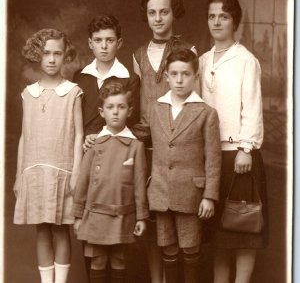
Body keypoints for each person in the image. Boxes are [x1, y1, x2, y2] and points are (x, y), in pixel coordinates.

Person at [134, 48, 221, 283]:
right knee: (167, 248)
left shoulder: (206, 113)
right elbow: (140, 137)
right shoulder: (155, 108)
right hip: (161, 193)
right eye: (174, 74)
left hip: (191, 194)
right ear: (168, 76)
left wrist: (209, 196)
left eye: (185, 74)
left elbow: (213, 158)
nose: (179, 80)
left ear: (195, 76)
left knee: (191, 249)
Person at [199, 0, 268, 283]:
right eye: (212, 16)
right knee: (219, 233)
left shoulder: (245, 61)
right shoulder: (201, 61)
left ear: (234, 21)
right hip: (210, 155)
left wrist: (246, 148)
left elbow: (251, 105)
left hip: (238, 154)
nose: (217, 22)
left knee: (242, 228)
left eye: (223, 16)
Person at [133, 0, 198, 282]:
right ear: (146, 16)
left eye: (164, 11)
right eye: (152, 13)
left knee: (178, 219)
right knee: (151, 217)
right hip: (147, 144)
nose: (158, 18)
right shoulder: (137, 55)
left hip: (177, 144)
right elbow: (134, 104)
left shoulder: (189, 51)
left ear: (174, 13)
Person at [13, 28, 83, 283]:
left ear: (66, 56)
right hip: (34, 171)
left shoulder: (73, 92)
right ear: (37, 55)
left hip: (61, 171)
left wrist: (76, 172)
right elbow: (24, 136)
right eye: (46, 53)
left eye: (57, 53)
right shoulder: (28, 94)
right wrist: (20, 175)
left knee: (61, 230)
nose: (52, 59)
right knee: (41, 230)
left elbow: (78, 135)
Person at [73, 82, 149, 283]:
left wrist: (141, 217)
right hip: (96, 215)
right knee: (97, 262)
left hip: (122, 217)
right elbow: (83, 181)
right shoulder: (94, 144)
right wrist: (78, 215)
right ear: (101, 111)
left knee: (119, 261)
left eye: (121, 107)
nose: (115, 112)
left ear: (129, 110)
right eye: (110, 107)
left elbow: (140, 185)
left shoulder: (135, 146)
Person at [73, 14, 140, 143]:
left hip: (115, 147)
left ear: (119, 43)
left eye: (110, 40)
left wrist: (100, 137)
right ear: (90, 43)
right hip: (83, 148)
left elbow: (131, 123)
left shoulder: (130, 79)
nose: (104, 46)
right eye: (98, 40)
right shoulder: (79, 76)